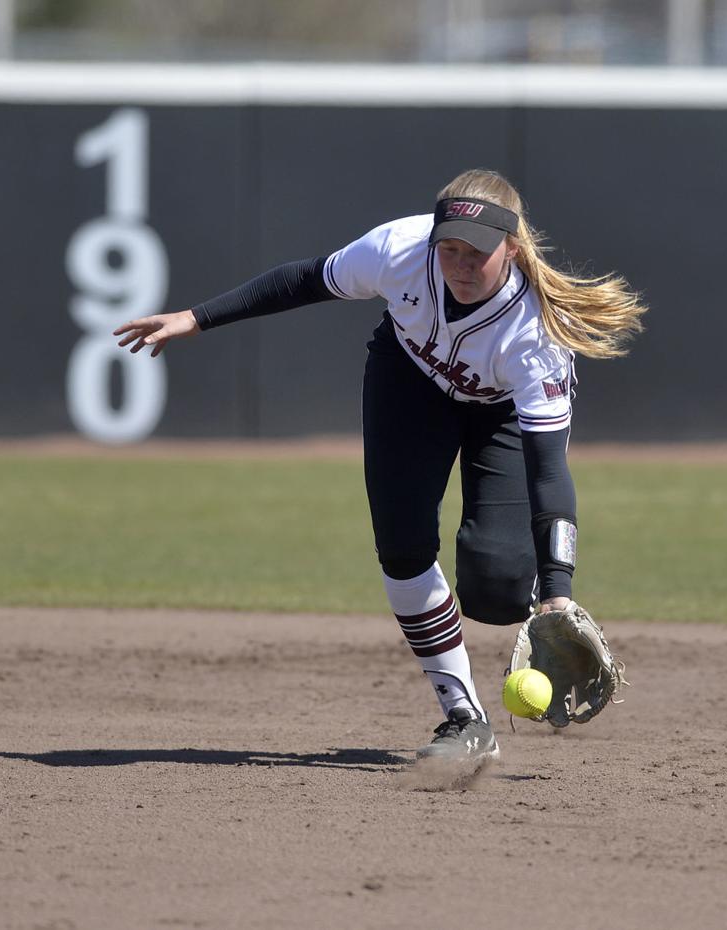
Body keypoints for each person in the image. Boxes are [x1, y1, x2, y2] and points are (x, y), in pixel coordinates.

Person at [115, 168, 646, 769]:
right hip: (409, 386)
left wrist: (557, 595)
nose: (461, 264)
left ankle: (522, 592)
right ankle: (464, 716)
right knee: (402, 549)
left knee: (497, 590)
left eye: (478, 253)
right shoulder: (399, 249)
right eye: (450, 248)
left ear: (514, 249)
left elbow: (549, 470)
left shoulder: (535, 335)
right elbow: (303, 280)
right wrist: (197, 317)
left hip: (496, 416)